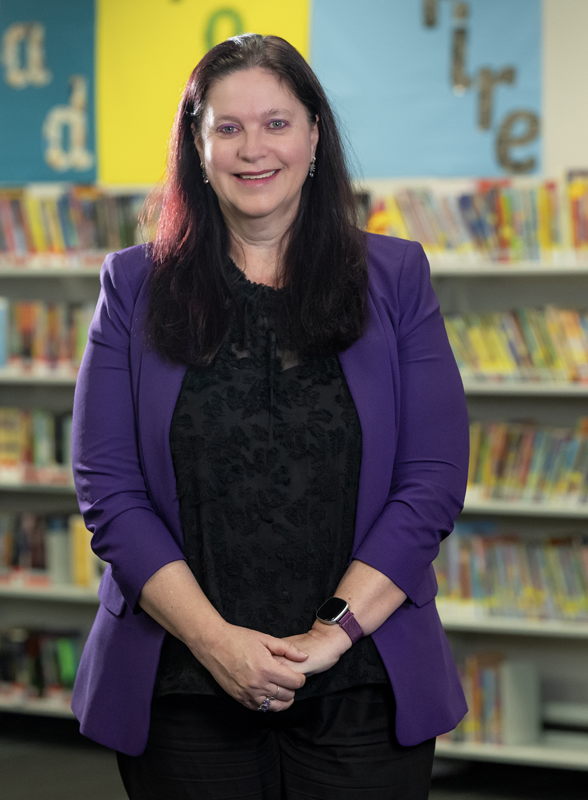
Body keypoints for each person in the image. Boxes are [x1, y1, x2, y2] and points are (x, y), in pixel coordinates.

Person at [70, 32, 468, 799]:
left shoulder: (395, 277)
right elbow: (109, 492)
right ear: (198, 143)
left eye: (277, 123)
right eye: (228, 127)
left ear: (315, 136)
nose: (254, 149)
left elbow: (431, 483)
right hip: (183, 681)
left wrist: (330, 638)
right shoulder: (132, 287)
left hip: (361, 678)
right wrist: (218, 644)